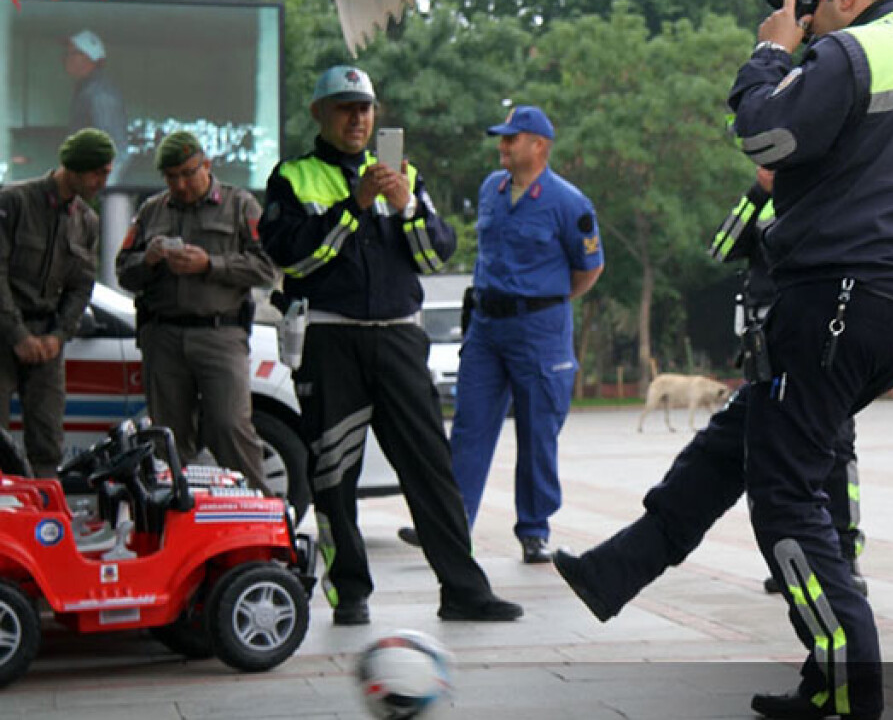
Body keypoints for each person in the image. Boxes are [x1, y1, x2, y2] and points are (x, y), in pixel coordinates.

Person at [555, 0, 893, 720]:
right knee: (737, 442)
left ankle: (852, 680)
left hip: (838, 296)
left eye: (808, 7)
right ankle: (620, 568)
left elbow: (765, 135)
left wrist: (767, 54)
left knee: (784, 497)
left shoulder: (857, 50)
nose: (804, 26)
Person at [260, 65, 522, 626]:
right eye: (344, 108)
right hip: (330, 341)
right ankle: (348, 592)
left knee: (432, 470)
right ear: (319, 114)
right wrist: (354, 205)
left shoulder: (402, 175)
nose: (357, 119)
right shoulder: (293, 177)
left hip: (401, 339)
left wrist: (406, 206)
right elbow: (294, 257)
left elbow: (436, 256)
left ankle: (464, 591)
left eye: (366, 108)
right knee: (333, 476)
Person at [438, 105, 604, 565]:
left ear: (539, 146)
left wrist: (544, 301)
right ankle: (452, 523)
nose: (503, 146)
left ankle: (534, 530)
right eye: (502, 138)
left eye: (512, 139)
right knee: (469, 425)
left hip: (539, 327)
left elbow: (589, 268)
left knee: (537, 429)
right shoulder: (490, 191)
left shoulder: (569, 203)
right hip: (487, 326)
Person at [709, 166, 867, 597]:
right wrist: (756, 192)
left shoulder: (830, 189)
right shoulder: (761, 202)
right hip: (769, 348)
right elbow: (721, 248)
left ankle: (845, 556)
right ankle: (787, 559)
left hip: (824, 342)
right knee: (771, 457)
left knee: (836, 453)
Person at [115, 130, 274, 492]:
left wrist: (211, 265)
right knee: (167, 437)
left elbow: (267, 267)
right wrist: (149, 260)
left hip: (220, 334)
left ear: (207, 165)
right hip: (164, 335)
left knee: (228, 424)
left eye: (189, 173)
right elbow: (124, 270)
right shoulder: (152, 210)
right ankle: (178, 517)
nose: (182, 184)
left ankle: (258, 514)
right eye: (172, 177)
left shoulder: (240, 205)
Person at [0, 129, 114, 476]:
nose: (101, 182)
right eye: (97, 173)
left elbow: (81, 287)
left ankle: (45, 518)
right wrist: (18, 335)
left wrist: (58, 336)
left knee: (48, 441)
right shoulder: (14, 202)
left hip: (47, 339)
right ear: (75, 168)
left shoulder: (86, 221)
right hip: (4, 333)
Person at [64, 30, 127, 162]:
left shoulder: (101, 94)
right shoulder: (86, 89)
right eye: (67, 53)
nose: (66, 58)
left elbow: (113, 149)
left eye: (72, 54)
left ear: (90, 58)